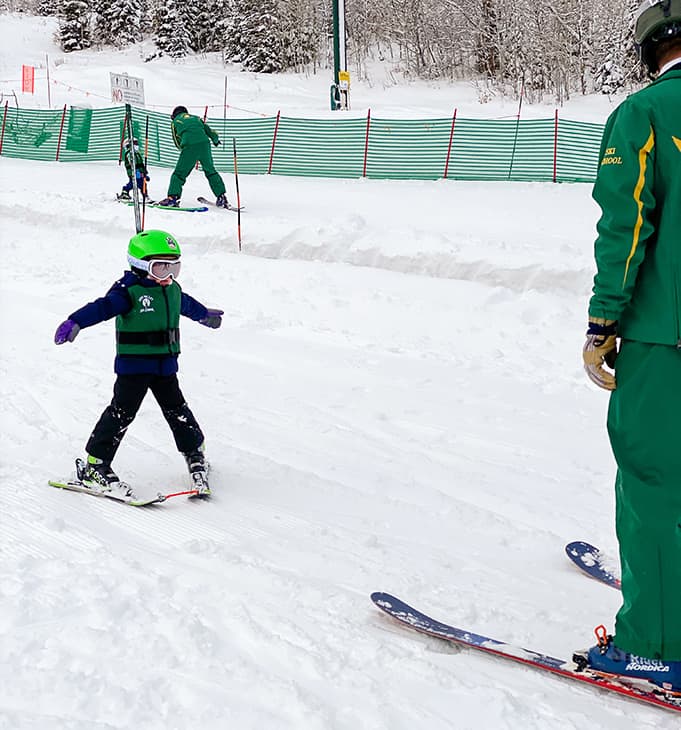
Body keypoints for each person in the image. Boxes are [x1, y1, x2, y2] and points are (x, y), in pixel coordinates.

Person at [578, 0, 681, 691]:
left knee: (653, 484)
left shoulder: (645, 115)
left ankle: (654, 645)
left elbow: (627, 223)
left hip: (664, 338)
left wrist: (602, 322)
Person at [53, 229, 224, 498]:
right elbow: (102, 307)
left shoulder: (171, 289)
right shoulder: (128, 292)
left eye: (174, 267)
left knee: (177, 410)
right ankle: (95, 465)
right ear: (141, 266)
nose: (168, 275)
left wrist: (204, 315)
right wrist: (75, 321)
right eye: (161, 267)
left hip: (165, 366)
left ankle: (195, 452)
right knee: (122, 412)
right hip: (134, 368)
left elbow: (186, 304)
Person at [157, 105, 229, 209]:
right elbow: (210, 132)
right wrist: (216, 140)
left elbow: (176, 139)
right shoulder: (196, 118)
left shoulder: (175, 121)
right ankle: (221, 197)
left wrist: (183, 149)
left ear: (174, 115)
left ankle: (173, 198)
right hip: (205, 144)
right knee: (210, 171)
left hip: (190, 145)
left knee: (179, 174)